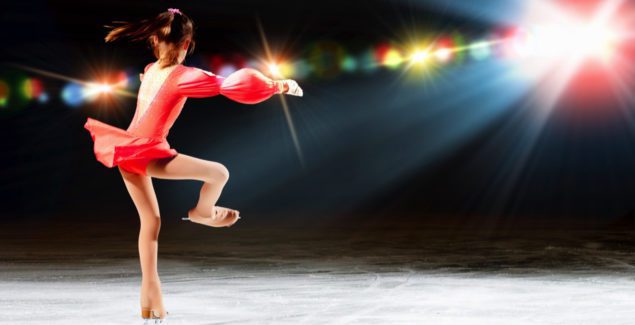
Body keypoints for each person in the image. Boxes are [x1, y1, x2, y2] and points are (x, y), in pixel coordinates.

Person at [83, 8, 303, 324]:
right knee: (219, 173)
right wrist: (279, 86)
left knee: (151, 222)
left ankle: (150, 300)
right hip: (148, 153)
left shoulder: (151, 68)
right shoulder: (183, 76)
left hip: (125, 150)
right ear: (187, 43)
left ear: (154, 39)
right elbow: (233, 85)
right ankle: (202, 213)